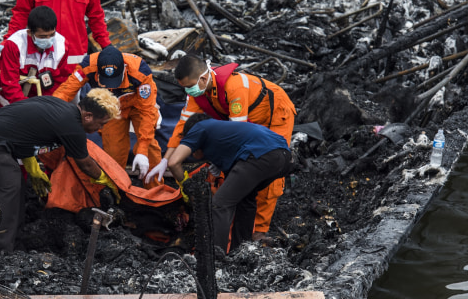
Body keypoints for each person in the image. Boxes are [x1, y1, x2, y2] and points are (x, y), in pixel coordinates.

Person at [147, 54, 296, 241]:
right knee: (239, 175)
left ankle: (259, 231)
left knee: (262, 168)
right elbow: (181, 129)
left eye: (189, 86)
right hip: (246, 123)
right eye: (184, 88)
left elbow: (238, 130)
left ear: (202, 78)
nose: (188, 91)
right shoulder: (197, 93)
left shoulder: (235, 86)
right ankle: (233, 223)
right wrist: (165, 160)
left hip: (274, 115)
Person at [0, 88, 120, 253]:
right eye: (101, 123)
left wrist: (31, 166)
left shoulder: (65, 110)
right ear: (88, 116)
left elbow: (22, 129)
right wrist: (108, 181)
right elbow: (86, 164)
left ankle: (14, 245)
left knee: (18, 187)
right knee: (10, 189)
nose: (100, 129)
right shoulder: (72, 125)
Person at [167, 113, 292, 252]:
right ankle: (241, 253)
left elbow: (173, 163)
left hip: (261, 155)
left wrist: (187, 187)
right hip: (284, 157)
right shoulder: (225, 137)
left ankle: (215, 258)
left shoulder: (199, 127)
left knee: (219, 205)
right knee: (245, 201)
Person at [53, 45, 163, 187]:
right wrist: (52, 112)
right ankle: (117, 192)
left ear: (124, 68)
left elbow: (147, 111)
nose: (112, 86)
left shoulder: (140, 70)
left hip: (138, 106)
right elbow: (65, 91)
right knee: (113, 154)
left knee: (149, 150)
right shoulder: (87, 66)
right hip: (111, 107)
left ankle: (155, 191)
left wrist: (141, 150)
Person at [0, 5, 71, 105]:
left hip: (44, 101)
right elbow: (10, 83)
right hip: (11, 103)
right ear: (30, 33)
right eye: (42, 36)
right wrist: (27, 108)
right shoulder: (14, 46)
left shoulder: (62, 46)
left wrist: (48, 105)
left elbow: (60, 80)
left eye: (52, 35)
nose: (48, 40)